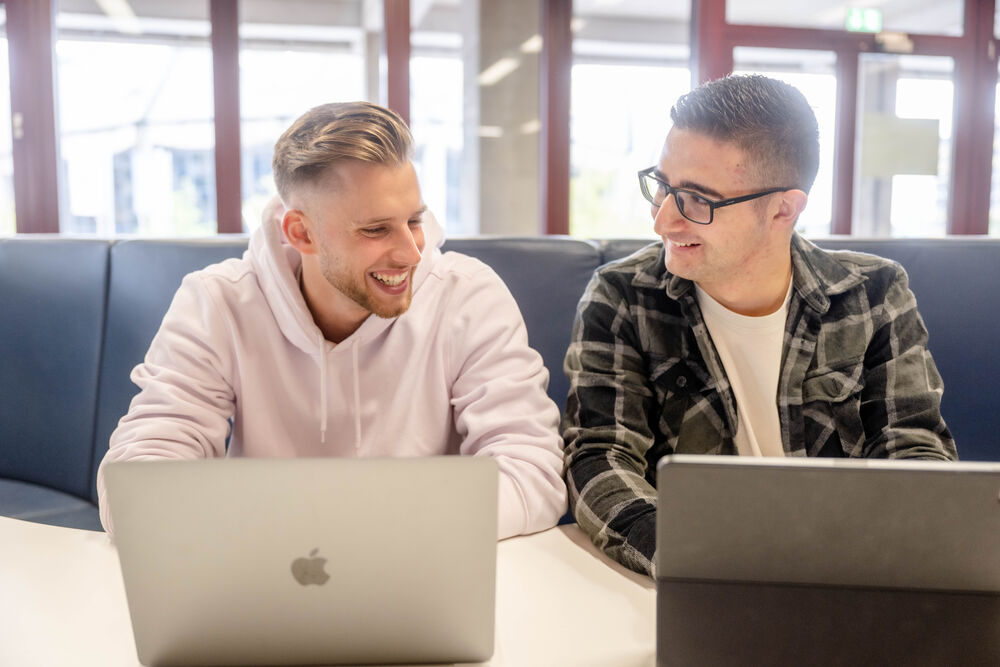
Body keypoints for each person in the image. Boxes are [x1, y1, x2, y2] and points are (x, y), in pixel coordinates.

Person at [97, 101, 566, 538]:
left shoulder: (468, 297)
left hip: (416, 577)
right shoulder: (218, 302)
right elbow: (136, 482)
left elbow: (532, 474)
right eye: (376, 229)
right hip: (265, 584)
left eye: (414, 221)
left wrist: (373, 532)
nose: (411, 252)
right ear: (302, 232)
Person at [562, 74, 957, 578]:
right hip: (693, 578)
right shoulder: (622, 297)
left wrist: (858, 556)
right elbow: (600, 458)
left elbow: (914, 448)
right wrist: (692, 557)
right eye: (662, 186)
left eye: (697, 199)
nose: (663, 221)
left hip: (852, 572)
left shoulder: (874, 293)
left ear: (783, 209)